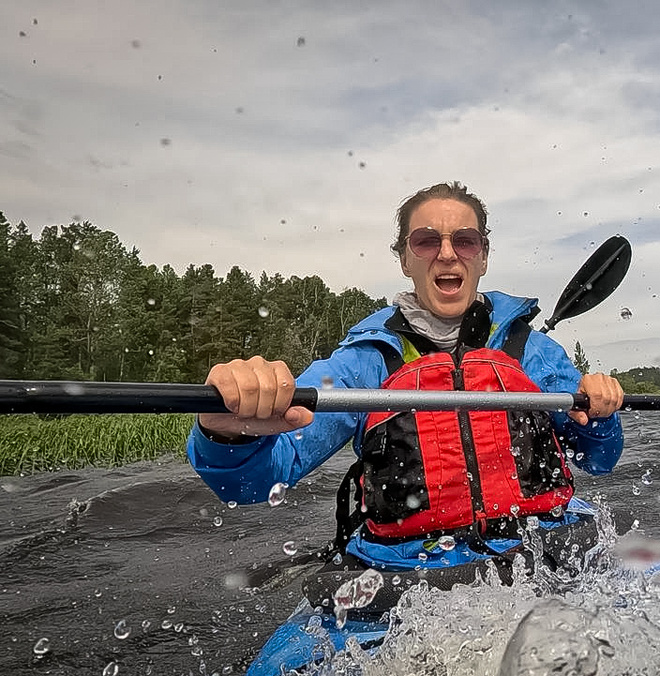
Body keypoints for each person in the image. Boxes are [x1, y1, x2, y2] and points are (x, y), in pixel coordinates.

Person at [186, 182, 625, 617]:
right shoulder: (365, 362)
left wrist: (602, 414)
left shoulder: (533, 353)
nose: (447, 253)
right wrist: (228, 433)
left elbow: (598, 458)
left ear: (483, 257)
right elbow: (254, 483)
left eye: (465, 241)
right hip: (408, 582)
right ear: (405, 258)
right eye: (427, 241)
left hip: (545, 559)